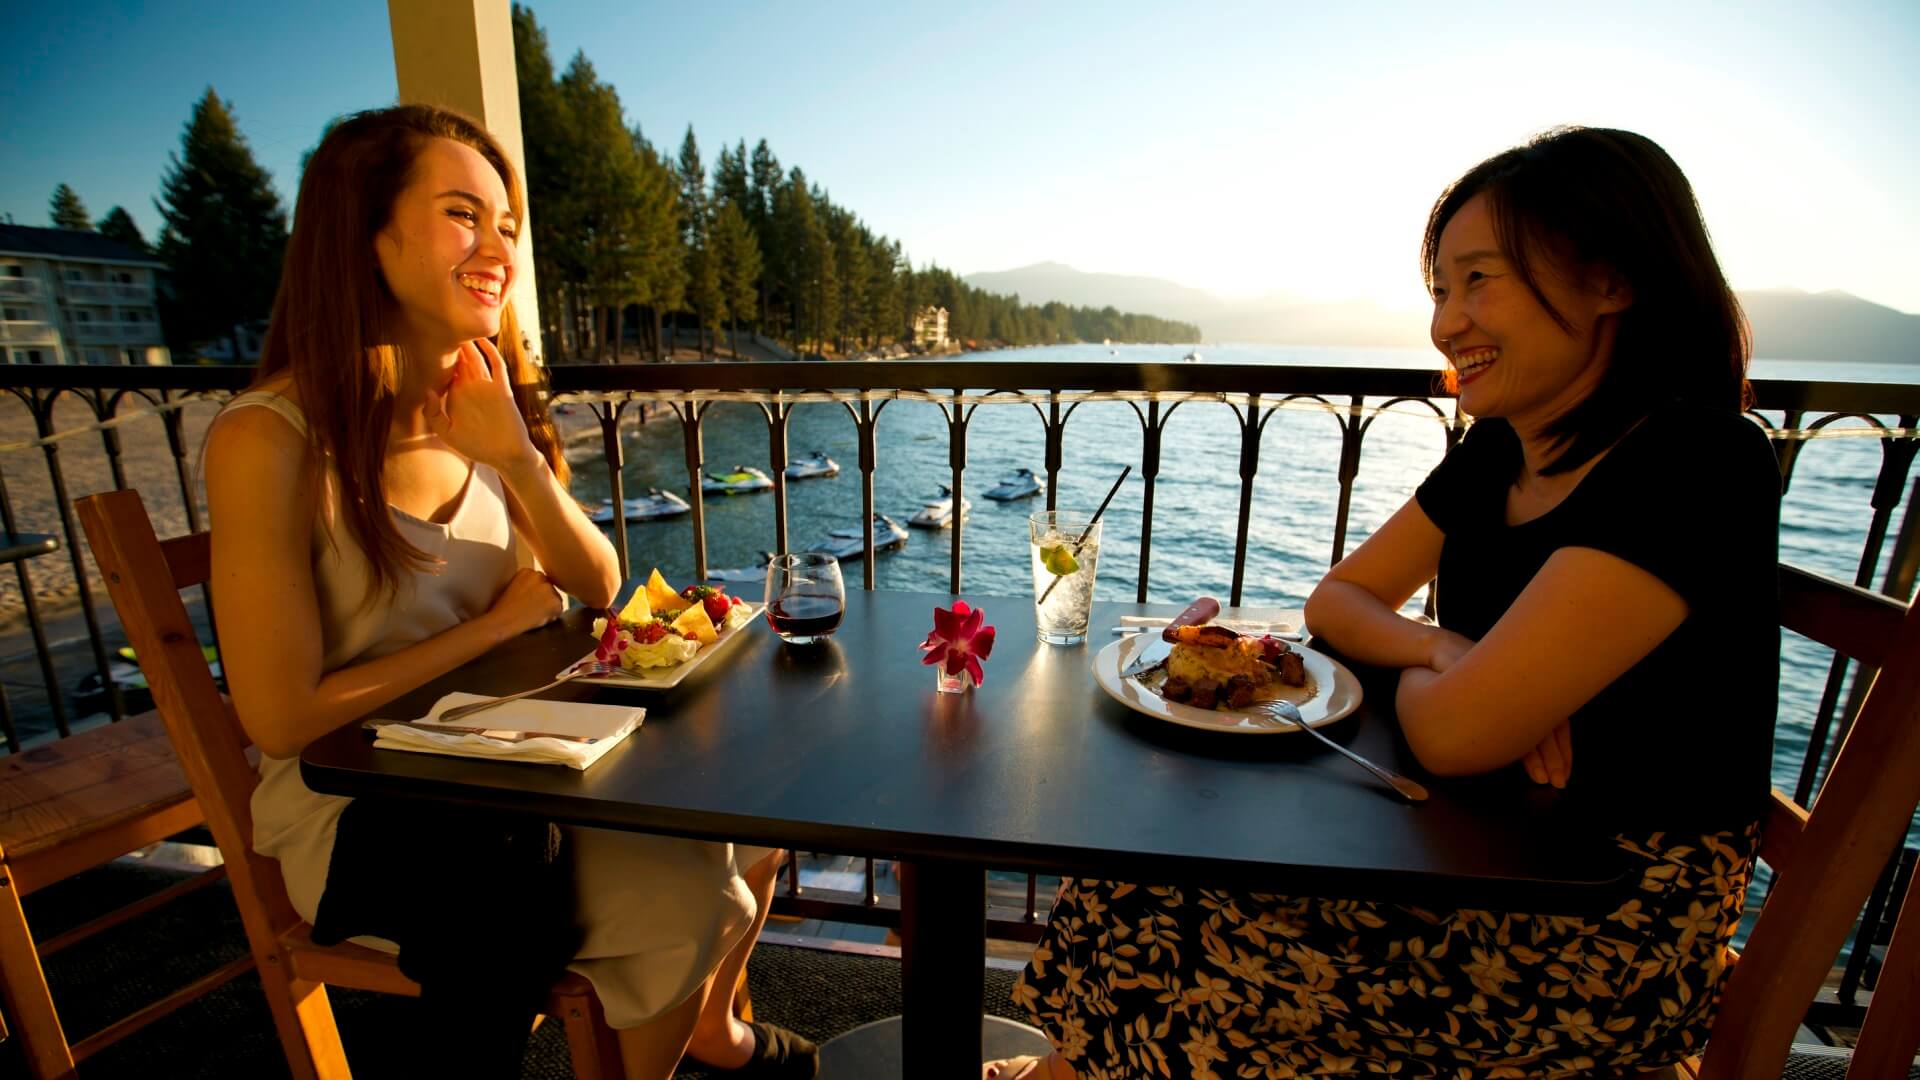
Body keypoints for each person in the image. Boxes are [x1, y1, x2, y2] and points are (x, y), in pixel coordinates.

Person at [990, 127, 1781, 1078]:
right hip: (1484, 845)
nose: (1448, 324)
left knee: (1179, 931)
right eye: (1441, 290)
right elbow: (1340, 602)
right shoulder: (1503, 451)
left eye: (1480, 279)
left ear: (1613, 278)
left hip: (1603, 921)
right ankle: (1073, 1071)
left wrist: (1444, 679)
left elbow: (1448, 735)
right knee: (1133, 877)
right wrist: (1443, 649)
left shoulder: (1693, 462)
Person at [205, 105, 815, 1079]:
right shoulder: (269, 441)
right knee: (698, 893)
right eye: (462, 214)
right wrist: (494, 624)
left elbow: (600, 584)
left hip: (511, 767)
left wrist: (520, 464)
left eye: (505, 226)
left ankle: (712, 1035)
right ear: (365, 233)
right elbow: (280, 719)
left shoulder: (477, 400)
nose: (496, 248)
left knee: (746, 828)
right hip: (368, 815)